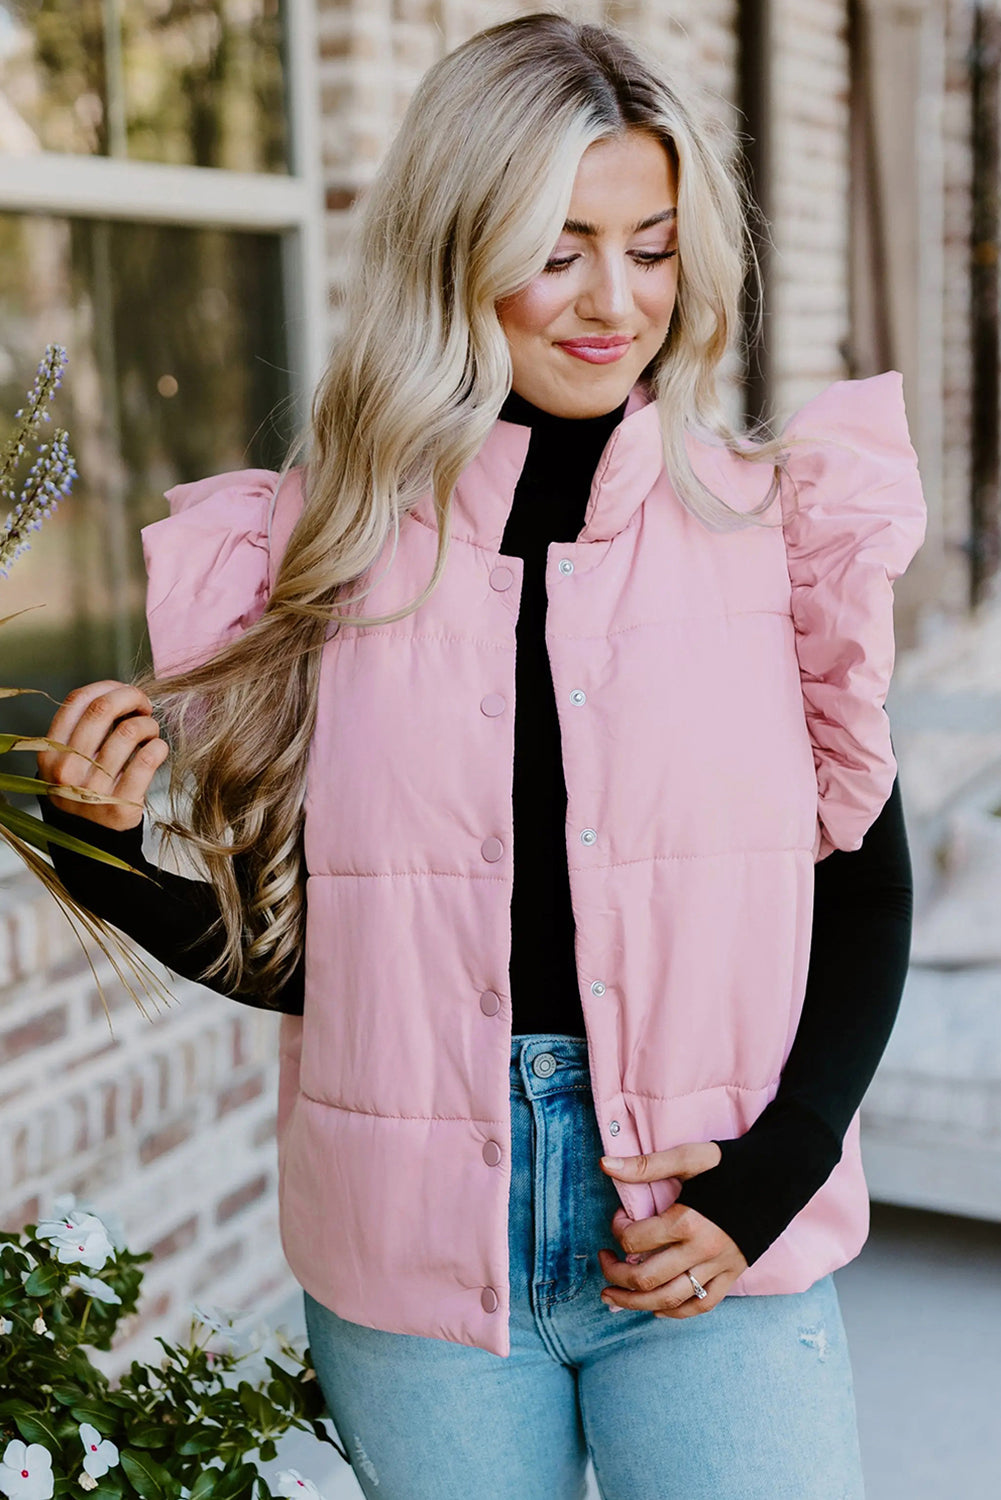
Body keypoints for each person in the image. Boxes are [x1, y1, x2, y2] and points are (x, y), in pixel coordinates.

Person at [36, 13, 926, 1499]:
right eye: (558, 251)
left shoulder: (774, 532)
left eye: (652, 247)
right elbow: (314, 965)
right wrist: (98, 849)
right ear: (452, 251)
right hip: (416, 1256)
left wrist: (777, 1175)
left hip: (707, 1232)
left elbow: (867, 889)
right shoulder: (317, 552)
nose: (616, 301)